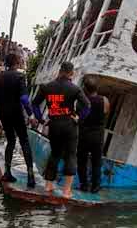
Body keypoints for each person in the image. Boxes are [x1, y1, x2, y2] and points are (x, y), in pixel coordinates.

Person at [31, 61, 91, 198]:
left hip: (54, 125)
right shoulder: (74, 89)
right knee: (70, 155)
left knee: (55, 154)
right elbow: (87, 106)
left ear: (60, 71)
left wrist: (41, 120)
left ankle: (48, 185)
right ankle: (66, 191)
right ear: (71, 73)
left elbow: (34, 104)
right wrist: (79, 118)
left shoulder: (47, 87)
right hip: (69, 125)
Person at [0, 53, 36, 188]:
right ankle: (30, 176)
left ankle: (8, 172)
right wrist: (31, 115)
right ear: (17, 63)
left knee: (10, 141)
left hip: (4, 115)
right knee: (24, 141)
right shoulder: (20, 77)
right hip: (17, 113)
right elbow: (24, 99)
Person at [77, 76, 110, 193]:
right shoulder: (104, 100)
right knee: (97, 162)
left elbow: (78, 118)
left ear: (85, 89)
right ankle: (96, 186)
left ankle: (84, 185)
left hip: (84, 135)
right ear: (97, 87)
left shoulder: (81, 102)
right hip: (98, 136)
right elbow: (106, 113)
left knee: (82, 161)